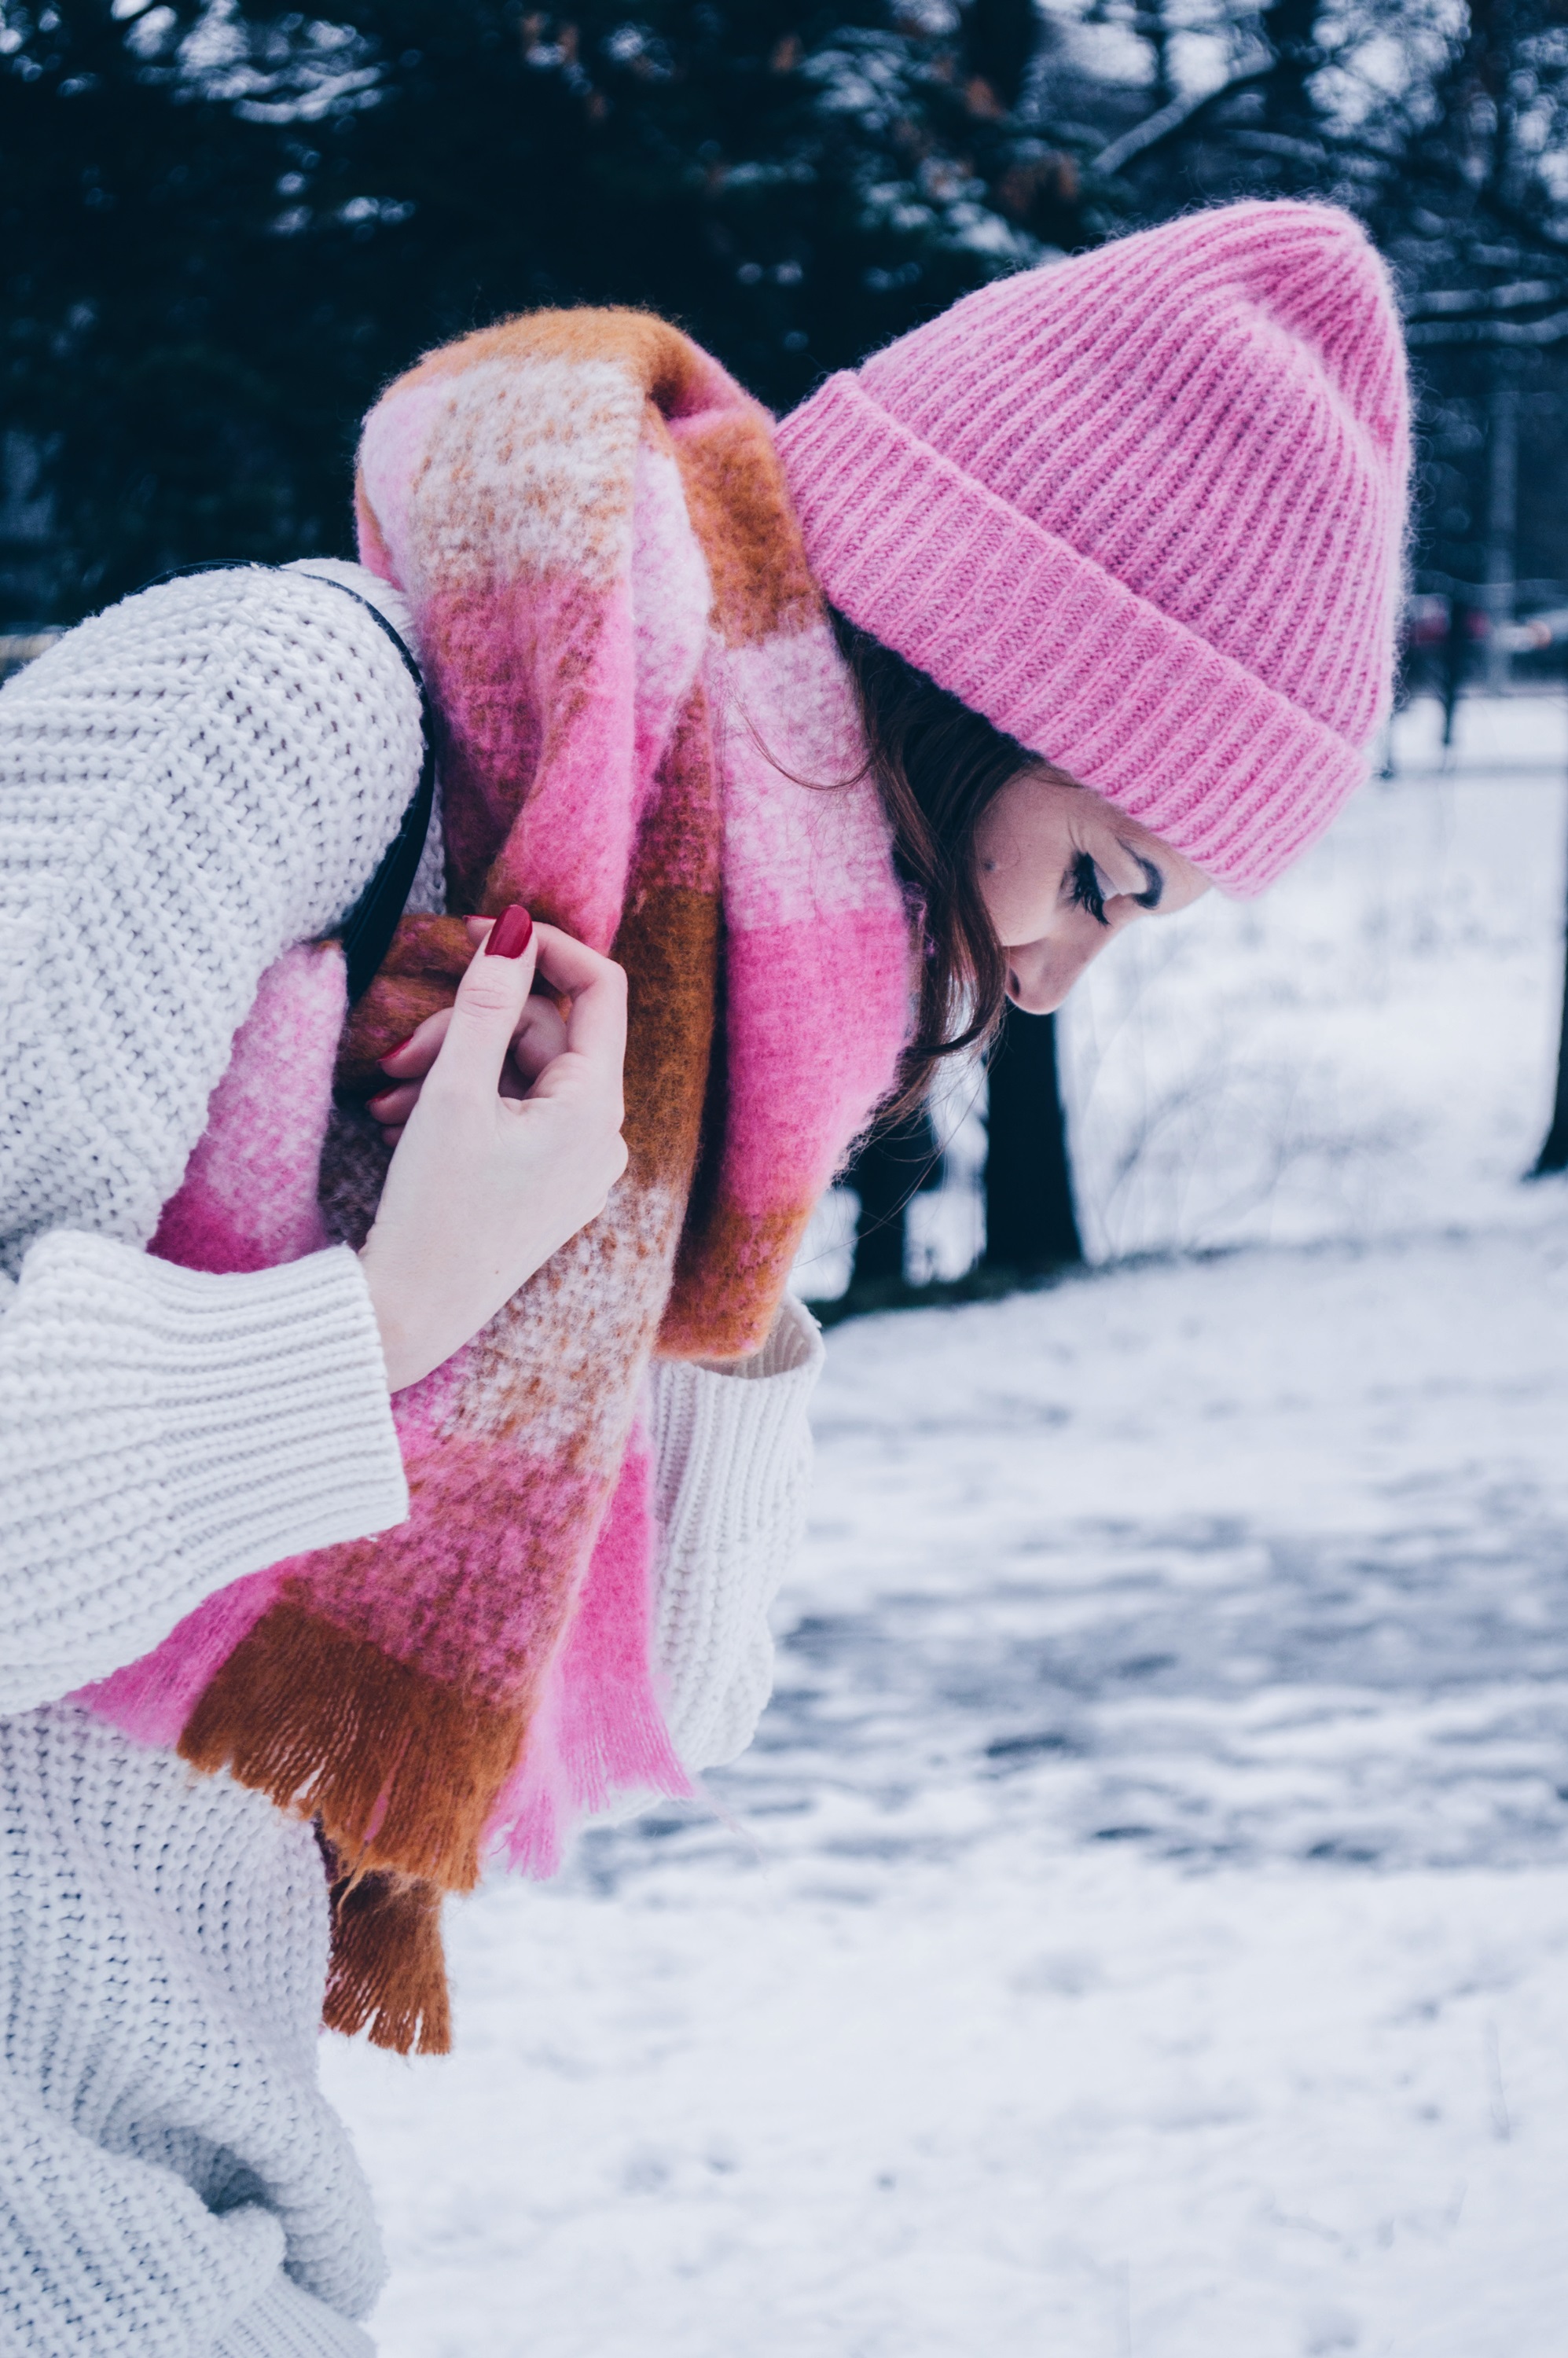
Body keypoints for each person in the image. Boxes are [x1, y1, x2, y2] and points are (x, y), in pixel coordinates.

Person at [0, 196, 1407, 2354]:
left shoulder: (693, 1037)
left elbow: (677, 1691)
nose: (1049, 981)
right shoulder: (271, 724)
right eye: (1105, 880)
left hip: (202, 2233)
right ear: (986, 679)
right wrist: (387, 1317)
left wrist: (709, 1234)